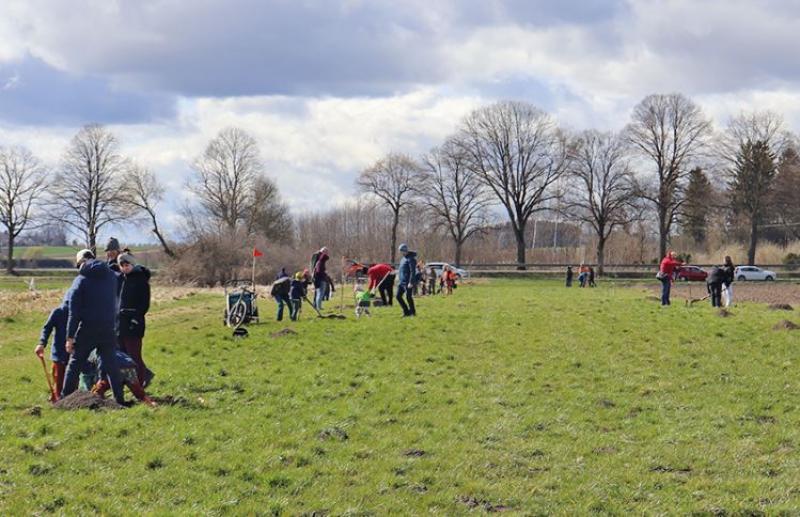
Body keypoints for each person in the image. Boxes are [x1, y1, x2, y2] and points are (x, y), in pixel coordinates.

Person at [61, 250, 126, 405]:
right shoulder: (111, 276)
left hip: (88, 328)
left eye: (78, 265)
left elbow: (73, 312)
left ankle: (64, 399)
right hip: (108, 327)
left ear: (82, 262)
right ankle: (119, 400)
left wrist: (70, 337)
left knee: (75, 363)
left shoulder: (81, 280)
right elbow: (116, 301)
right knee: (111, 364)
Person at [117, 252, 153, 387]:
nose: (124, 267)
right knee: (123, 356)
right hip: (120, 324)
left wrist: (135, 318)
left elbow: (144, 305)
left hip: (134, 323)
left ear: (132, 264)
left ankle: (140, 383)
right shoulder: (120, 280)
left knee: (134, 356)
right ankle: (129, 382)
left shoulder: (141, 281)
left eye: (127, 265)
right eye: (122, 265)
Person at [88, 349, 156, 407]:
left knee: (98, 390)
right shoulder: (116, 351)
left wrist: (100, 379)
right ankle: (151, 404)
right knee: (139, 393)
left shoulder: (99, 355)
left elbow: (101, 368)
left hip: (115, 369)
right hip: (130, 368)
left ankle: (95, 402)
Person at [34, 299, 70, 401]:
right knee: (59, 378)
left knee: (72, 380)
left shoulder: (80, 312)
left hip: (74, 352)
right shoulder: (58, 312)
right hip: (59, 352)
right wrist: (42, 343)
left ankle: (68, 399)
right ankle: (58, 400)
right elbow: (47, 328)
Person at [396, 243, 417, 317]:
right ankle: (406, 311)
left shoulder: (411, 259)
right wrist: (398, 277)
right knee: (398, 296)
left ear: (404, 250)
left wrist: (411, 282)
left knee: (408, 297)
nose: (400, 253)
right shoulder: (403, 259)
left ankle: (413, 313)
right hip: (401, 282)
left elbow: (412, 271)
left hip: (408, 282)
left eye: (401, 251)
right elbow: (401, 270)